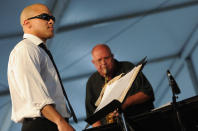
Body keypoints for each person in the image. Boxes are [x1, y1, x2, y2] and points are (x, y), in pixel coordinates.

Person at [7, 3, 75, 131]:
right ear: (27, 23)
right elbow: (35, 94)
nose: (51, 21)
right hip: (43, 124)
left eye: (52, 18)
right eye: (45, 17)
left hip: (50, 122)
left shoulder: (38, 50)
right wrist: (60, 121)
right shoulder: (26, 49)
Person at [85, 44, 155, 128]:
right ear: (93, 62)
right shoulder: (92, 82)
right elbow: (92, 115)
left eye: (106, 58)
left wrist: (124, 104)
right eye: (99, 60)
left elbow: (147, 93)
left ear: (112, 56)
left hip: (141, 123)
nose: (103, 63)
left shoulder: (128, 67)